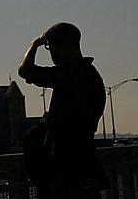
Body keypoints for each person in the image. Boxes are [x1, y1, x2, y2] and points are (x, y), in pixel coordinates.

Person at [18, 22, 107, 199]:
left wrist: (35, 44)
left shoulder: (69, 74)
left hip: (67, 168)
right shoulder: (90, 74)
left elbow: (25, 70)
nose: (51, 54)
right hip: (85, 163)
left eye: (51, 48)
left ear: (61, 47)